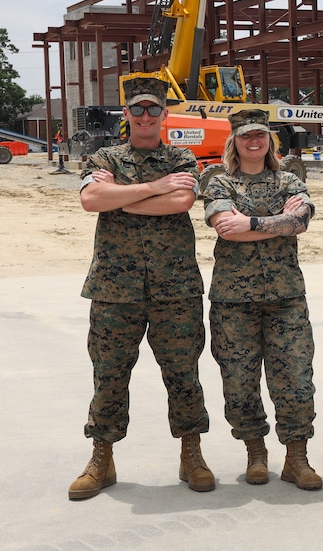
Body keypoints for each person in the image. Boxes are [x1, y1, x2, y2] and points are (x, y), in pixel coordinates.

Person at [69, 77, 214, 500]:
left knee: (184, 373)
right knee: (109, 376)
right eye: (138, 109)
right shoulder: (105, 155)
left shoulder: (182, 156)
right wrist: (153, 187)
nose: (146, 116)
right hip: (115, 286)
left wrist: (119, 194)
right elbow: (91, 200)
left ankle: (192, 453)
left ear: (165, 114)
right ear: (127, 114)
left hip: (175, 286)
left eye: (153, 109)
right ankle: (102, 457)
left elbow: (181, 203)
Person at [203, 109, 321, 490]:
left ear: (270, 140)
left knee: (296, 381)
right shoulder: (220, 183)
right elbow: (225, 227)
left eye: (260, 135)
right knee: (238, 381)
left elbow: (300, 221)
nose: (253, 141)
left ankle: (296, 458)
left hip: (285, 297)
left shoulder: (289, 179)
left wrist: (251, 223)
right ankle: (255, 453)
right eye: (245, 136)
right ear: (234, 142)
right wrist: (275, 225)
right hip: (233, 301)